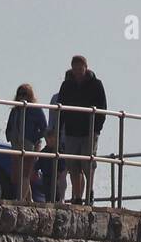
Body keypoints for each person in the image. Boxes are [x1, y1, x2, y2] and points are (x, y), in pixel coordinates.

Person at [45, 55, 107, 205]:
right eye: (75, 69)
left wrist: (96, 129)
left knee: (88, 163)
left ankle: (89, 193)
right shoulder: (67, 85)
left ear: (86, 67)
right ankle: (77, 197)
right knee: (73, 164)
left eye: (80, 68)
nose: (78, 72)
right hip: (72, 131)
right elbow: (61, 108)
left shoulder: (96, 84)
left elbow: (103, 107)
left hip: (89, 131)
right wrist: (59, 130)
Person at [5, 83, 47, 202]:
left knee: (26, 173)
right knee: (17, 174)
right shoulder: (15, 110)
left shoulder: (36, 110)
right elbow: (9, 125)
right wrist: (9, 135)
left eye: (25, 94)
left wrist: (34, 138)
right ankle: (29, 199)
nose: (22, 97)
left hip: (29, 144)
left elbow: (44, 128)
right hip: (16, 142)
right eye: (20, 94)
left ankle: (20, 199)